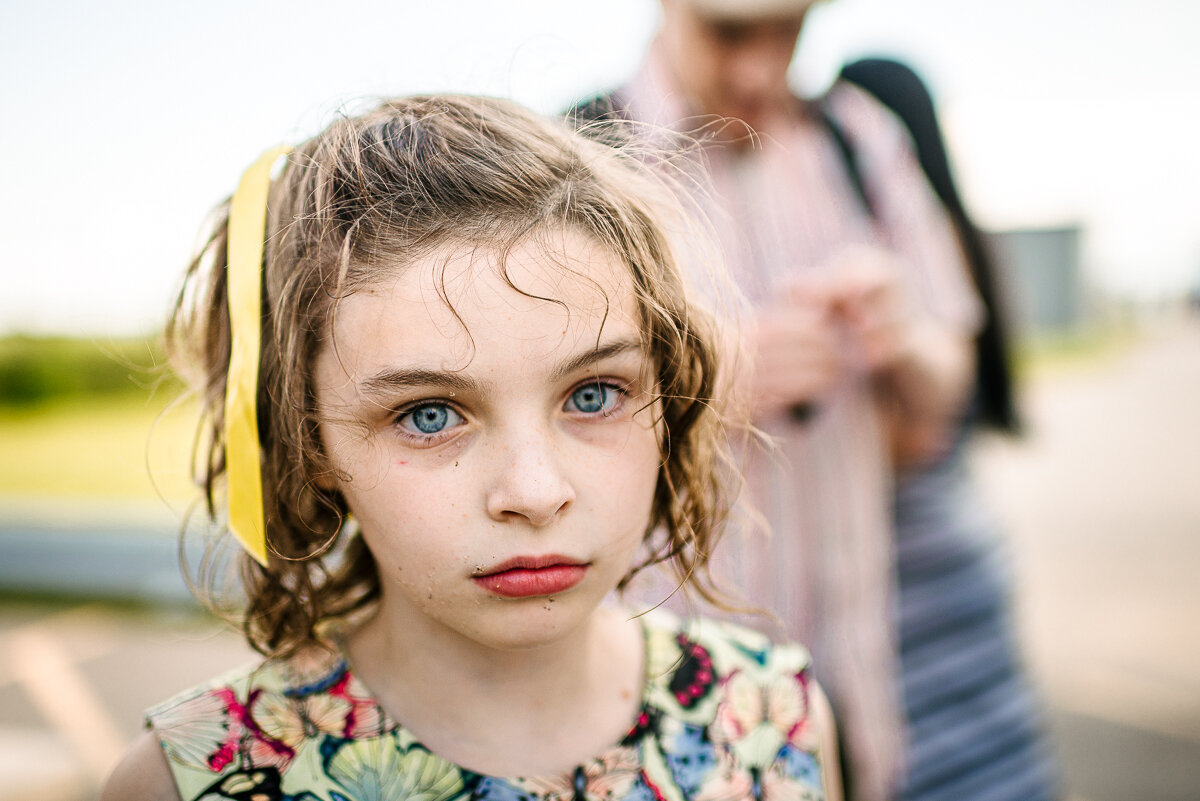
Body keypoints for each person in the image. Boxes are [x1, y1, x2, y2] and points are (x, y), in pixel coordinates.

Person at [98, 94, 843, 801]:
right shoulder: (193, 779)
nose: (535, 489)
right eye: (428, 414)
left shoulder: (774, 718)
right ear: (307, 437)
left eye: (593, 394)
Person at [570, 2, 981, 800]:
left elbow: (952, 374)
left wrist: (905, 335)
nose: (760, 67)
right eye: (729, 33)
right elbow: (533, 423)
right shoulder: (579, 159)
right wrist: (705, 383)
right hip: (665, 703)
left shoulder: (860, 137)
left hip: (852, 682)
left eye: (786, 33)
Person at [839, 57, 1059, 801]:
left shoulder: (890, 258)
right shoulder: (966, 241)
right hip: (968, 560)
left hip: (910, 586)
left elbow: (906, 443)